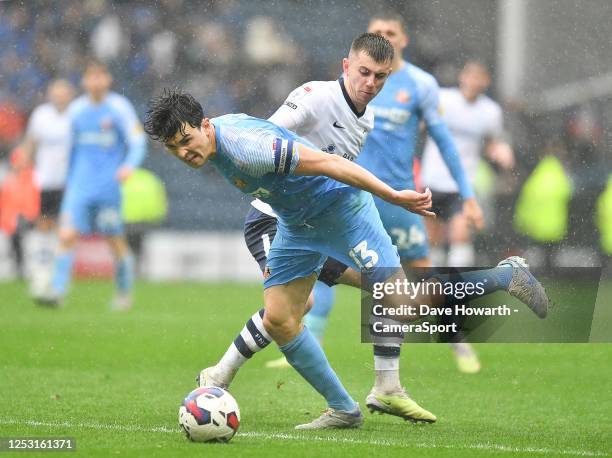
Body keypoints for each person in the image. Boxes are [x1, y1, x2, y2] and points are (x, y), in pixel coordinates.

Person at [144, 89, 548, 428]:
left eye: (187, 140)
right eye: (174, 148)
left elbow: (331, 163)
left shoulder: (249, 150)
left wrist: (391, 195)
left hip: (343, 211)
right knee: (281, 319)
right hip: (296, 226)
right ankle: (343, 409)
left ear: (206, 125)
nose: (184, 152)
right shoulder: (218, 138)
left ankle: (505, 276)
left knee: (403, 306)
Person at [204, 33, 436, 423]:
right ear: (345, 66)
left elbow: (336, 172)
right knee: (296, 309)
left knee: (388, 294)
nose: (370, 83)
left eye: (380, 77)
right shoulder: (313, 96)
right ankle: (220, 374)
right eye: (364, 72)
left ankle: (386, 387)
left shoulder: (369, 117)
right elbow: (266, 134)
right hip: (274, 219)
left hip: (318, 220)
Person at [299, 13, 486, 378]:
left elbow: (443, 140)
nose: (384, 36)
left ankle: (455, 335)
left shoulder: (420, 84)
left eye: (391, 32)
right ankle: (316, 344)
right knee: (325, 266)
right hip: (352, 196)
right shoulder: (351, 83)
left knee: (418, 275)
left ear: (403, 39)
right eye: (377, 32)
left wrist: (468, 194)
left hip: (398, 198)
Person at [420, 61, 515, 372]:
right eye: (470, 77)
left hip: (463, 185)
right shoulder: (443, 99)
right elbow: (420, 125)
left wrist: (499, 150)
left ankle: (455, 302)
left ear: (485, 81)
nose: (474, 82)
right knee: (432, 245)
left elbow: (491, 140)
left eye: (480, 78)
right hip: (433, 182)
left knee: (460, 238)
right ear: (462, 77)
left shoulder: (490, 111)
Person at [37, 60, 146, 310]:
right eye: (91, 76)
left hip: (108, 187)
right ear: (84, 81)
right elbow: (67, 148)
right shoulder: (76, 111)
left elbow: (138, 141)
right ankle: (57, 291)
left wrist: (129, 165)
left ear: (108, 79)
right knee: (66, 235)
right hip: (79, 186)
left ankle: (123, 294)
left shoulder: (119, 108)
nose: (95, 81)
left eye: (100, 76)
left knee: (114, 239)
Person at [19, 79, 75, 297]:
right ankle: (41, 273)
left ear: (70, 95)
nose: (59, 97)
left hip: (69, 181)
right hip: (44, 181)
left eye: (63, 93)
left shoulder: (76, 115)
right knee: (43, 225)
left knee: (65, 228)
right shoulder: (41, 115)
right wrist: (24, 160)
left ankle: (59, 276)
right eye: (56, 93)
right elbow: (30, 142)